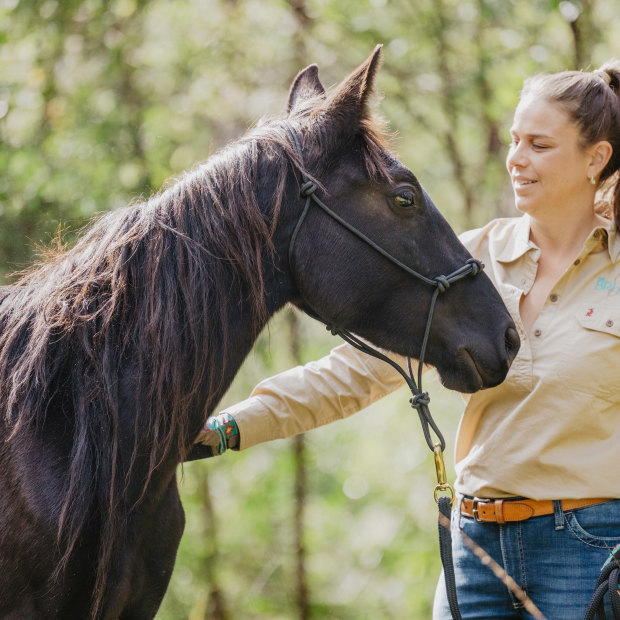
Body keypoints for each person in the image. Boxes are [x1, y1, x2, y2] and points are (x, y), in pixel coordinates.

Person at [196, 60, 620, 618]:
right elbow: (353, 373)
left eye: (540, 145)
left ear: (597, 157)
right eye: (515, 140)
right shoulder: (469, 258)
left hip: (587, 552)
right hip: (474, 548)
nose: (516, 158)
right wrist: (226, 429)